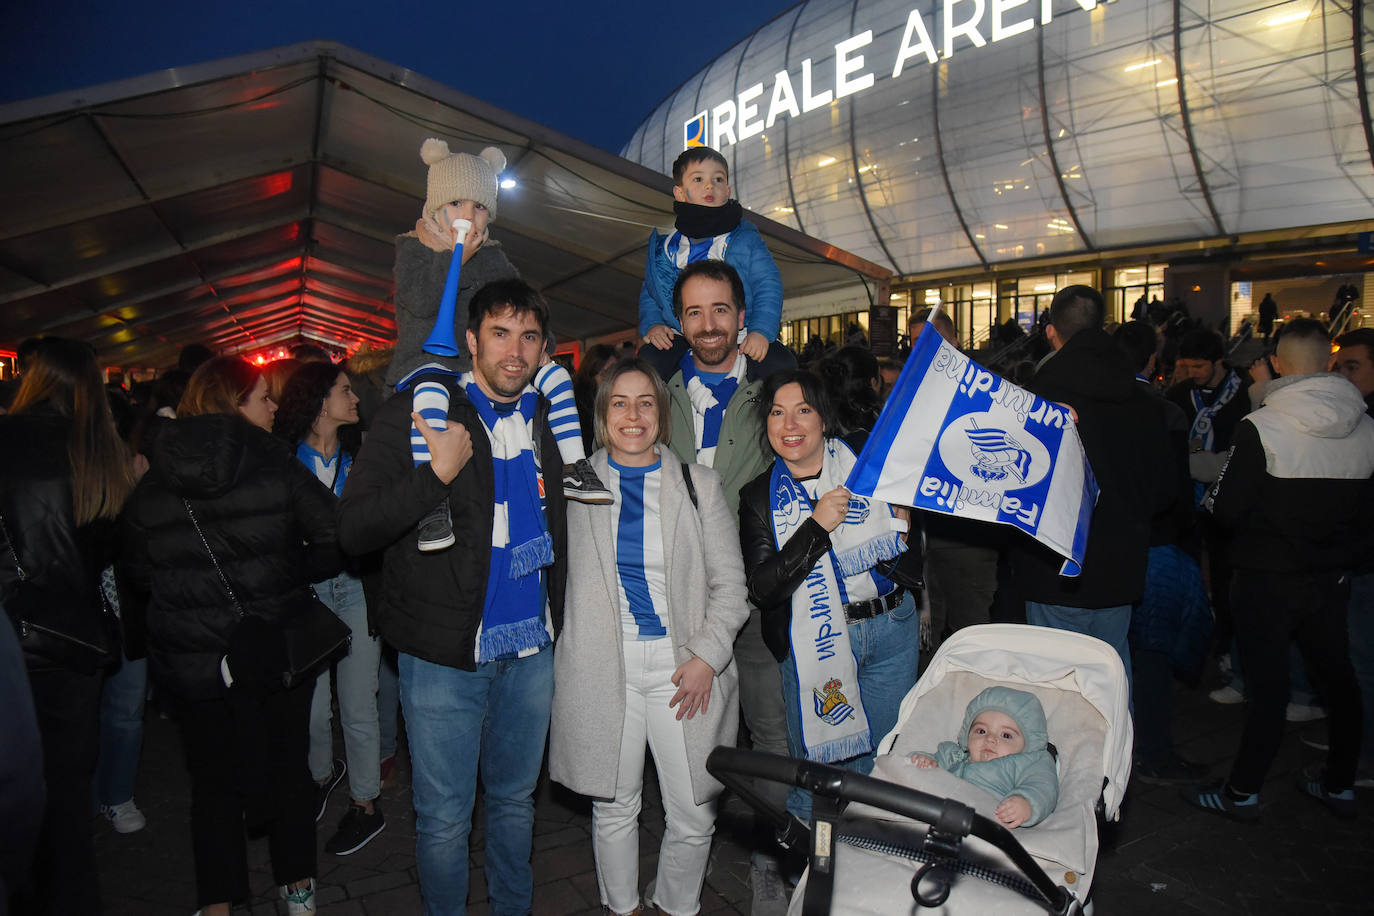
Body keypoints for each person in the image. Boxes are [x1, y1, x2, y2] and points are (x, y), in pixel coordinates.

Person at [338, 278, 568, 916]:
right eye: (499, 334)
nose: (514, 352)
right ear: (471, 340)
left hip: (532, 650)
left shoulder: (551, 418)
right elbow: (354, 528)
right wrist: (435, 475)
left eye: (528, 337)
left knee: (515, 805)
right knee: (443, 820)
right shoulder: (422, 407)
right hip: (442, 657)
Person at [122, 355, 341, 915]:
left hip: (195, 659)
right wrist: (287, 574)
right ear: (233, 403)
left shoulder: (156, 467)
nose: (274, 408)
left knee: (213, 784)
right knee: (289, 770)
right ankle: (297, 893)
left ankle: (217, 904)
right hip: (272, 648)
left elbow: (138, 569)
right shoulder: (272, 458)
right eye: (263, 398)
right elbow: (334, 533)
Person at [549, 358, 749, 916]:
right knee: (613, 806)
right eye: (619, 402)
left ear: (662, 416)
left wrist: (707, 656)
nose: (632, 415)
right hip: (600, 666)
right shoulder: (573, 482)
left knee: (694, 810)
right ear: (601, 414)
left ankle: (675, 905)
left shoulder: (697, 484)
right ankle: (623, 908)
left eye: (645, 403)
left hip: (681, 666)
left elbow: (731, 586)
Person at [1185, 319, 1374, 822]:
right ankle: (1339, 783)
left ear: (1281, 365)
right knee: (1339, 680)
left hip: (1265, 578)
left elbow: (1223, 508)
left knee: (1267, 690)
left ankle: (1242, 791)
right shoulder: (1366, 423)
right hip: (1329, 578)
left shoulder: (1262, 425)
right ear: (1328, 362)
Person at [389, 139, 609, 557]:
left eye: (480, 208)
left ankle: (575, 465)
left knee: (556, 374)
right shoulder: (413, 248)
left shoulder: (492, 256)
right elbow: (419, 301)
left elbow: (525, 305)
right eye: (457, 204)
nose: (468, 217)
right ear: (435, 205)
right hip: (429, 360)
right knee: (430, 399)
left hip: (483, 365)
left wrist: (541, 347)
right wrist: (456, 257)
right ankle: (433, 504)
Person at [658, 258, 796, 911]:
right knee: (692, 742)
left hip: (761, 595)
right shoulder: (655, 394)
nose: (708, 325)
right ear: (677, 321)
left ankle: (773, 858)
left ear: (743, 318)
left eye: (720, 310)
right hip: (685, 603)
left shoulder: (776, 392)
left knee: (772, 737)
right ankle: (689, 852)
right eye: (694, 311)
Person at [740, 369, 922, 825]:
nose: (790, 425)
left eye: (804, 411)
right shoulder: (759, 496)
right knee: (817, 780)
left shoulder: (866, 463)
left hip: (890, 630)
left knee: (883, 770)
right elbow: (763, 588)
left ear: (824, 418)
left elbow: (935, 469)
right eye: (778, 414)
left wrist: (905, 522)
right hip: (814, 641)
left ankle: (869, 873)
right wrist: (815, 527)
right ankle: (813, 883)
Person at [1, 337, 134, 916]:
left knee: (15, 796)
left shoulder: (3, 439)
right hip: (74, 643)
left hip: (10, 641)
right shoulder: (98, 451)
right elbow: (110, 548)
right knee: (67, 798)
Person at [1008, 286, 1174, 691]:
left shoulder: (1034, 400)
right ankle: (1118, 754)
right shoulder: (1147, 401)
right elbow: (1166, 490)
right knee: (1111, 681)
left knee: (1057, 684)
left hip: (1054, 566)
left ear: (1050, 332)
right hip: (1120, 566)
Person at [274, 362, 386, 855]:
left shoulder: (363, 456)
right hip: (308, 594)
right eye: (345, 391)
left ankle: (366, 804)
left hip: (358, 588)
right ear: (321, 403)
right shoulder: (282, 462)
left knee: (359, 704)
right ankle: (321, 776)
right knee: (313, 706)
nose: (355, 398)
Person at [1112, 321, 1210, 785]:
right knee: (1151, 655)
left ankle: (1117, 752)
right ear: (1152, 360)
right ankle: (1152, 751)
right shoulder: (1163, 411)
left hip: (1107, 549)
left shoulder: (1093, 406)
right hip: (1155, 545)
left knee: (1116, 654)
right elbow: (1176, 489)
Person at [638, 146, 791, 379]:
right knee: (650, 362)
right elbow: (651, 293)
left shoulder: (745, 239)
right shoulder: (666, 249)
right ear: (679, 193)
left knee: (781, 365)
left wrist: (761, 331)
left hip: (741, 332)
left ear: (727, 190)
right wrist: (653, 325)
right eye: (698, 179)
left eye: (718, 179)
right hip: (680, 334)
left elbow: (767, 285)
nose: (710, 186)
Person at [907, 686, 1059, 828]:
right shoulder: (953, 756)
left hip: (984, 823)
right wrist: (923, 761)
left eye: (1006, 735)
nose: (990, 738)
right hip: (934, 813)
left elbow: (1043, 786)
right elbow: (919, 767)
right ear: (967, 735)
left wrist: (1026, 803)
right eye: (981, 731)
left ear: (1028, 745)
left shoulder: (1029, 763)